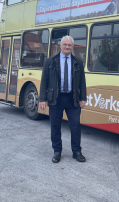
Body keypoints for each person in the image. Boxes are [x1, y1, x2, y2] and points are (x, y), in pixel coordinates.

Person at [39, 35, 87, 163]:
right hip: (56, 98)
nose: (67, 47)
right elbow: (44, 80)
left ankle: (76, 151)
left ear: (72, 47)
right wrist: (42, 99)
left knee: (75, 126)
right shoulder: (51, 61)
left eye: (69, 45)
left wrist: (83, 98)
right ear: (60, 46)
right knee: (55, 126)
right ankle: (57, 151)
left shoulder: (78, 62)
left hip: (73, 99)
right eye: (65, 44)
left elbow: (82, 81)